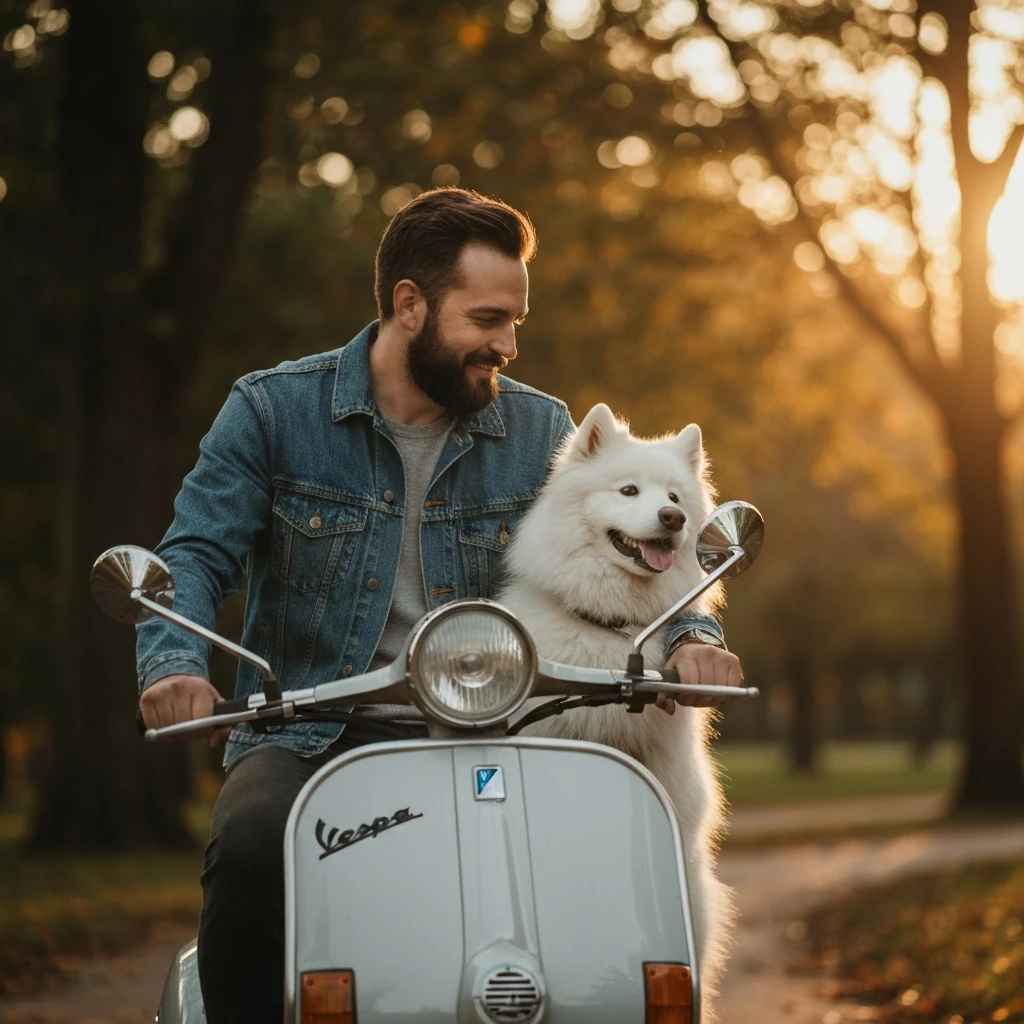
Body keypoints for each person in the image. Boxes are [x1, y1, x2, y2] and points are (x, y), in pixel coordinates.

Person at [135, 187, 743, 1023]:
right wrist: (177, 664)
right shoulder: (274, 411)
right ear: (409, 305)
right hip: (313, 728)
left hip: (501, 727)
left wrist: (695, 638)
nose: (508, 344)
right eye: (488, 319)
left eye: (516, 322)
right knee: (249, 843)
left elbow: (642, 569)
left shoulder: (539, 431)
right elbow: (195, 553)